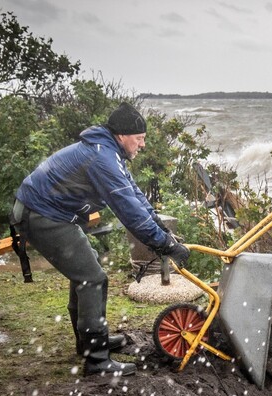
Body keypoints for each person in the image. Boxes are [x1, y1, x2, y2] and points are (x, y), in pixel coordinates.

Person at [13, 102, 190, 376]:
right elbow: (128, 211)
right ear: (122, 135)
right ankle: (96, 360)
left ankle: (88, 344)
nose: (142, 145)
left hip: (50, 213)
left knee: (88, 268)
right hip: (42, 216)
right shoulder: (102, 158)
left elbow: (135, 196)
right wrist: (163, 245)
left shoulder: (108, 151)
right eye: (140, 139)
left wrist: (163, 233)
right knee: (92, 278)